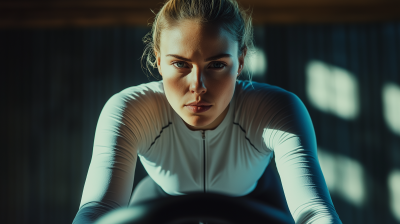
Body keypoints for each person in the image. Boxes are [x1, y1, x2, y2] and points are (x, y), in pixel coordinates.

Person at [73, 0, 342, 223]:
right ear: (158, 60)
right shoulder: (129, 110)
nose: (198, 87)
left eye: (216, 65)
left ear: (240, 62)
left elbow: (314, 211)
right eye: (180, 64)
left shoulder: (276, 109)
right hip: (159, 202)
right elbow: (98, 209)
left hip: (257, 204)